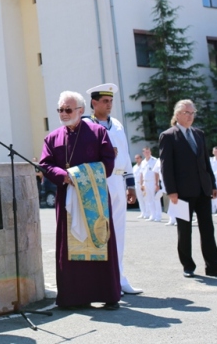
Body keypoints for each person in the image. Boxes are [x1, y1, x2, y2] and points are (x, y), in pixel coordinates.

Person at [38, 91, 120, 310]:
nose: (63, 114)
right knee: (70, 245)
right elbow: (44, 165)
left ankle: (107, 294)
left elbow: (108, 163)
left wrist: (79, 175)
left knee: (99, 239)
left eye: (68, 109)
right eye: (60, 110)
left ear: (81, 111)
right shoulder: (52, 137)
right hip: (67, 198)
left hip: (95, 197)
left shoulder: (98, 132)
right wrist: (64, 176)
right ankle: (73, 297)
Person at [159, 100, 217, 279]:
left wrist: (212, 184)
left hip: (202, 189)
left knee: (208, 229)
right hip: (181, 193)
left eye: (192, 113)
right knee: (185, 230)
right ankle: (188, 265)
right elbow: (166, 167)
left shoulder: (199, 134)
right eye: (186, 113)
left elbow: (205, 162)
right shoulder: (168, 136)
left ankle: (213, 266)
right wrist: (171, 191)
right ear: (177, 115)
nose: (190, 116)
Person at [85, 83, 142, 295]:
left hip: (118, 181)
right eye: (105, 101)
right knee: (98, 232)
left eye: (111, 101)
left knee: (119, 231)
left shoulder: (116, 124)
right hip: (99, 181)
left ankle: (119, 277)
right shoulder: (86, 125)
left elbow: (125, 155)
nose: (109, 105)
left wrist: (130, 184)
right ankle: (99, 281)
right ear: (94, 103)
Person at [140, 147, 162, 222]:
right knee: (149, 199)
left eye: (148, 152)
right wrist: (142, 184)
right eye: (145, 152)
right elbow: (142, 174)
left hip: (153, 181)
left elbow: (157, 172)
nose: (147, 153)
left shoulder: (154, 160)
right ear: (143, 153)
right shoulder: (143, 162)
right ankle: (152, 215)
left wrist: (157, 183)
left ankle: (158, 216)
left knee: (156, 198)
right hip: (146, 182)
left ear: (150, 152)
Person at [133, 153, 148, 220]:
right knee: (140, 199)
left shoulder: (144, 165)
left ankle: (147, 213)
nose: (137, 159)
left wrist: (142, 184)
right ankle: (143, 212)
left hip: (143, 184)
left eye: (138, 158)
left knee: (145, 199)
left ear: (141, 158)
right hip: (136, 184)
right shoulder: (134, 167)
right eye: (136, 158)